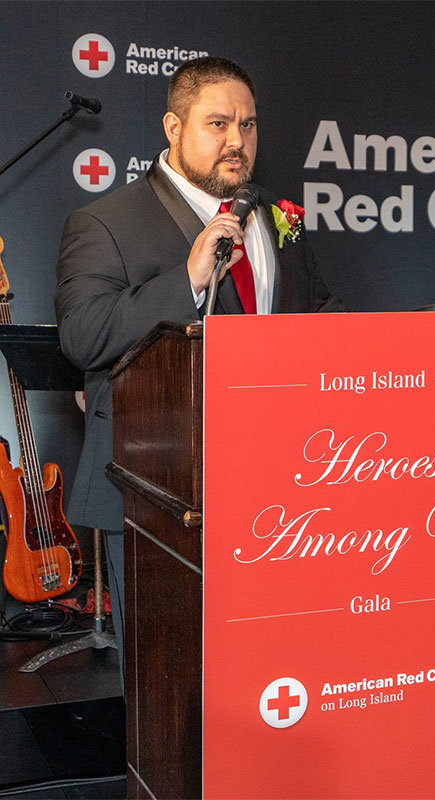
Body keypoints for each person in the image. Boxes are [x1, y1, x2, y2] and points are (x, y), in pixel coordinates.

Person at [54, 57, 343, 684]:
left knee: (266, 674)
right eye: (218, 123)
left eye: (248, 124)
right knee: (172, 685)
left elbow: (317, 315)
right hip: (157, 491)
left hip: (276, 491)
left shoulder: (275, 219)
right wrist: (187, 279)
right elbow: (82, 336)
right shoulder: (106, 223)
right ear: (173, 126)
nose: (237, 141)